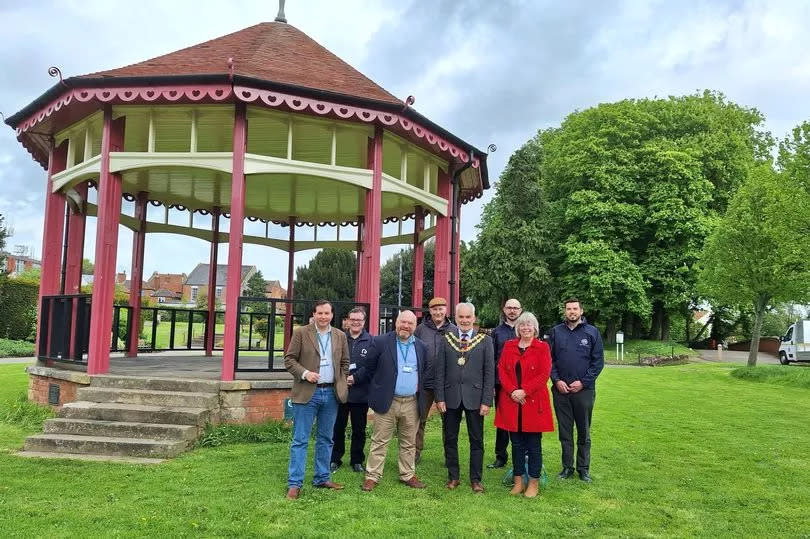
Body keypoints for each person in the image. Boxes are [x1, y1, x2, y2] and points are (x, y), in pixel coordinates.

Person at [350, 310, 429, 492]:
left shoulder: (421, 347)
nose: (406, 326)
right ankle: (372, 476)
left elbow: (424, 373)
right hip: (388, 400)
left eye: (410, 323)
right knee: (380, 440)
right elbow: (368, 369)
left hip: (411, 402)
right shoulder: (380, 342)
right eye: (403, 322)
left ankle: (407, 474)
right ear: (396, 322)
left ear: (415, 326)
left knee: (409, 442)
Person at [283, 300, 350, 499]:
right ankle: (295, 483)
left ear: (332, 315)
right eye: (319, 313)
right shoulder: (301, 333)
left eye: (327, 313)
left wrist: (341, 379)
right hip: (307, 392)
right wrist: (304, 374)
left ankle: (322, 477)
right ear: (314, 314)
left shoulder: (339, 335)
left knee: (326, 438)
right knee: (300, 440)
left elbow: (345, 362)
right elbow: (289, 360)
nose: (323, 317)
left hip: (330, 394)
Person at [436, 303, 494, 493]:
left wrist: (487, 401)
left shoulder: (485, 341)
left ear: (474, 318)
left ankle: (476, 479)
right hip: (451, 397)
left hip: (475, 398)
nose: (465, 320)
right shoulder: (447, 340)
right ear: (456, 318)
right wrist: (440, 398)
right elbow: (440, 372)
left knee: (476, 440)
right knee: (450, 439)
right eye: (461, 317)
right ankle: (453, 477)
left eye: (468, 317)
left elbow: (489, 373)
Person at [494, 312, 554, 498]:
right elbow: (502, 370)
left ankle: (533, 482)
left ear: (535, 328)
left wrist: (524, 391)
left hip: (533, 402)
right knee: (516, 444)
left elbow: (544, 374)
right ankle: (519, 481)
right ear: (517, 328)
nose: (525, 328)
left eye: (529, 325)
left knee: (534, 445)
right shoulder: (509, 346)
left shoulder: (542, 347)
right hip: (512, 402)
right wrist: (512, 391)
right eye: (522, 325)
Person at [548, 298, 604, 483]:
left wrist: (583, 382)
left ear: (581, 310)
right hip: (561, 391)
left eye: (575, 309)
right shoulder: (556, 332)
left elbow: (597, 363)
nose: (572, 312)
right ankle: (567, 467)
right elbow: (549, 360)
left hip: (584, 391)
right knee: (565, 432)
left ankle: (583, 469)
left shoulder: (592, 332)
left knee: (583, 431)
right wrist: (556, 380)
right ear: (564, 311)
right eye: (568, 309)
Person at [413, 296, 458, 464]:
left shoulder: (454, 330)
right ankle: (415, 453)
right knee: (419, 419)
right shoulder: (420, 330)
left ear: (446, 310)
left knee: (449, 422)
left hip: (447, 384)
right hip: (424, 382)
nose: (438, 312)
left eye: (441, 309)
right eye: (434, 309)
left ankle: (449, 456)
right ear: (430, 311)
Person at [331, 307, 374, 473]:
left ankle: (357, 460)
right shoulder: (339, 338)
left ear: (364, 322)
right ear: (347, 320)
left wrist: (355, 378)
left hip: (360, 393)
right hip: (340, 391)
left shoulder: (371, 341)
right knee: (338, 427)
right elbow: (333, 361)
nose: (356, 322)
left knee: (359, 429)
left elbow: (370, 366)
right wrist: (343, 378)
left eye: (359, 320)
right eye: (353, 319)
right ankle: (335, 458)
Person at [488, 298, 523, 468]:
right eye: (509, 308)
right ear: (504, 309)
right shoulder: (497, 332)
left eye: (515, 308)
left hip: (523, 386)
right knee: (503, 421)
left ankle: (522, 454)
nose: (512, 311)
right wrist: (493, 385)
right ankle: (500, 456)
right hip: (502, 384)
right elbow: (492, 359)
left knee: (522, 421)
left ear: (521, 310)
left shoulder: (525, 330)